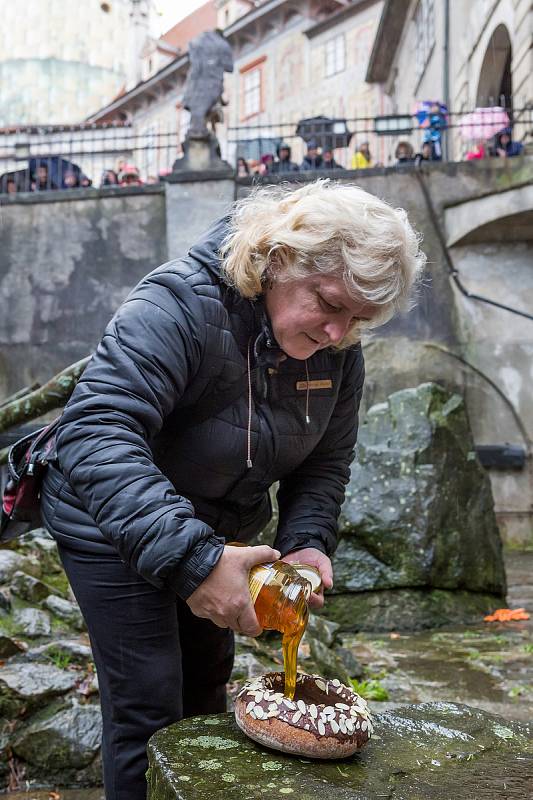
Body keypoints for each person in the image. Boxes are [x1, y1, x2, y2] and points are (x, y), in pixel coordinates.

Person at [40, 179, 424, 800]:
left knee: (205, 695)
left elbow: (324, 462)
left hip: (219, 532)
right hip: (107, 519)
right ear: (277, 259)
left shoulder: (337, 349)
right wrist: (197, 563)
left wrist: (305, 542)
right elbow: (96, 432)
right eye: (327, 303)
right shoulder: (177, 304)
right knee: (149, 705)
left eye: (358, 319)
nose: (336, 332)